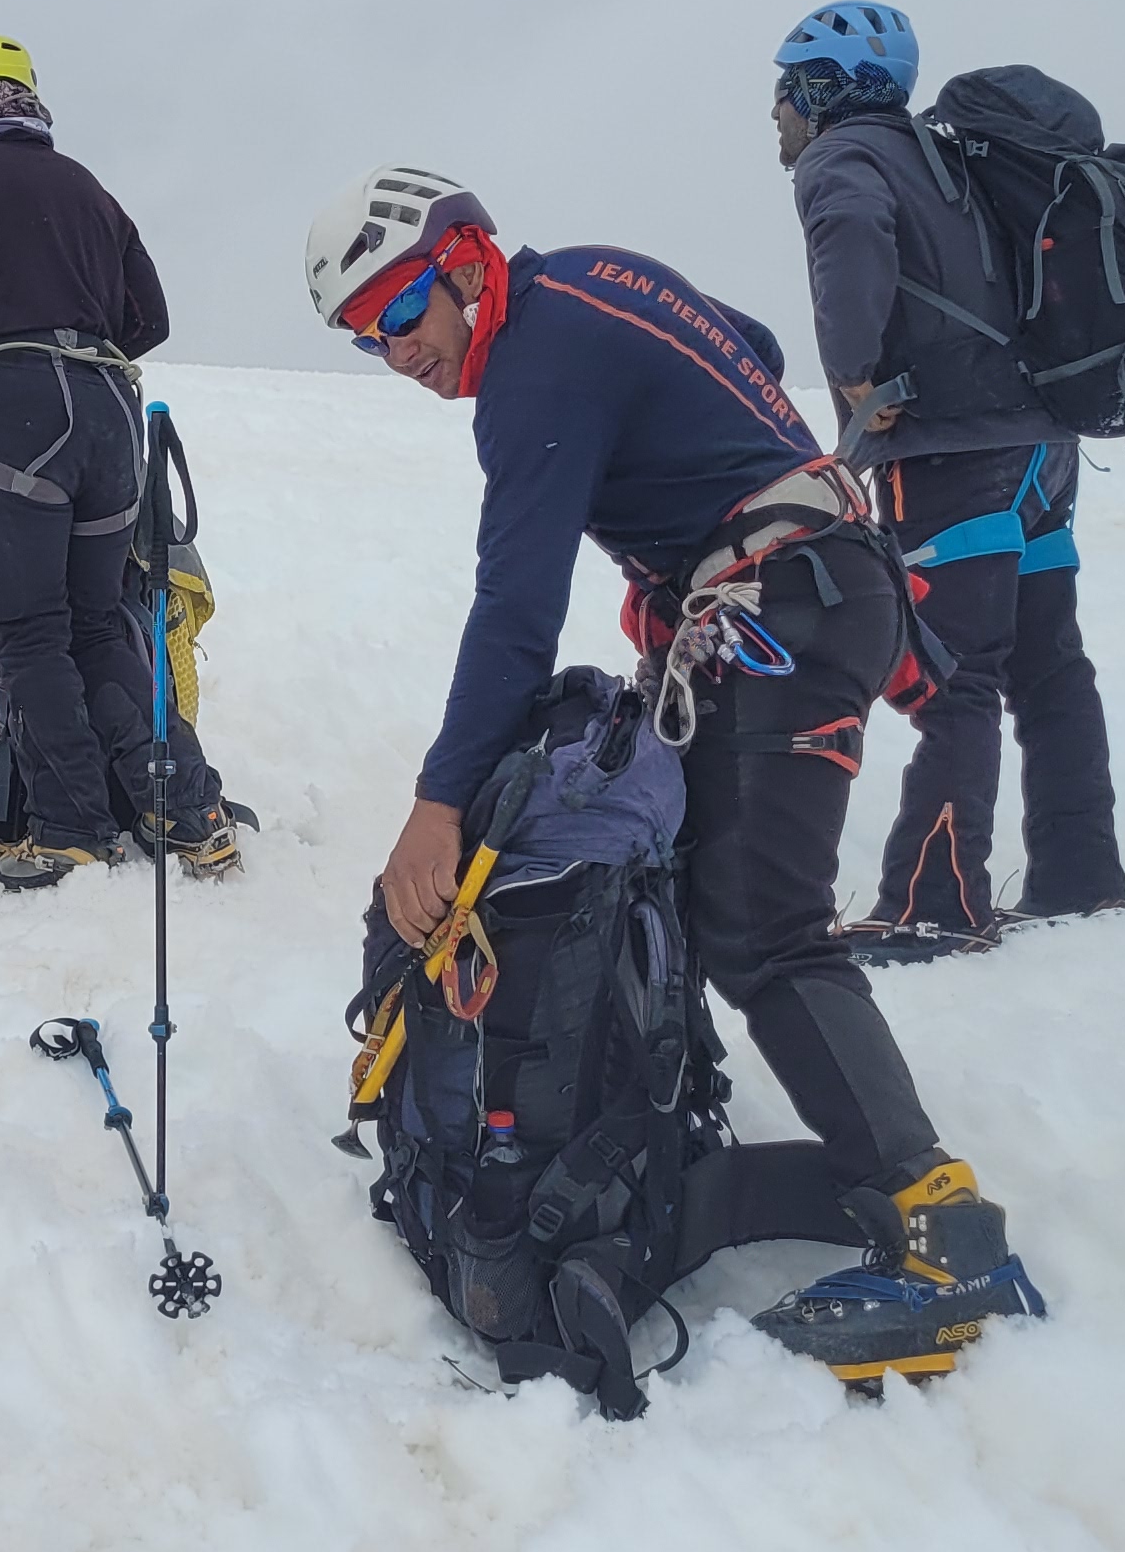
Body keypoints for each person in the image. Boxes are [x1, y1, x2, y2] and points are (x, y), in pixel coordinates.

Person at [306, 165, 1045, 1382]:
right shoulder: (598, 283)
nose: (396, 355)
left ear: (465, 260)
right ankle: (683, 1142)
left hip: (785, 607)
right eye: (363, 340)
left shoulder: (535, 363)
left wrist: (437, 808)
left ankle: (939, 1232)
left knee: (767, 930)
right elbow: (743, 346)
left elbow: (515, 611)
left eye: (398, 315)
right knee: (700, 896)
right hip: (795, 593)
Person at [773, 0, 1125, 960]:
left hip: (950, 454)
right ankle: (1082, 873)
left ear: (822, 89)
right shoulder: (949, 156)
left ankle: (936, 902)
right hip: (1040, 457)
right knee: (1050, 665)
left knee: (954, 671)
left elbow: (850, 233)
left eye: (785, 86)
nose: (775, 110)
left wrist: (852, 375)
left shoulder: (844, 159)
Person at [0, 34, 237, 891]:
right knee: (95, 622)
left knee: (25, 630)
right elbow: (147, 317)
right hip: (111, 411)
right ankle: (189, 810)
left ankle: (72, 823)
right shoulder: (92, 191)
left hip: (15, 406)